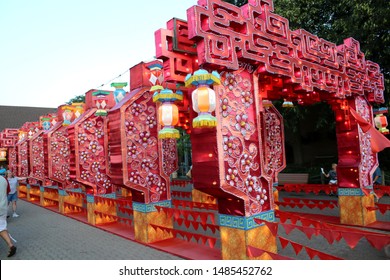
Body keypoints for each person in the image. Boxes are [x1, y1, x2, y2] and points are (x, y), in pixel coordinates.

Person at [0, 174, 17, 257]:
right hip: (3, 207)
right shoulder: (3, 179)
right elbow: (7, 191)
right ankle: (11, 245)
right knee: (2, 227)